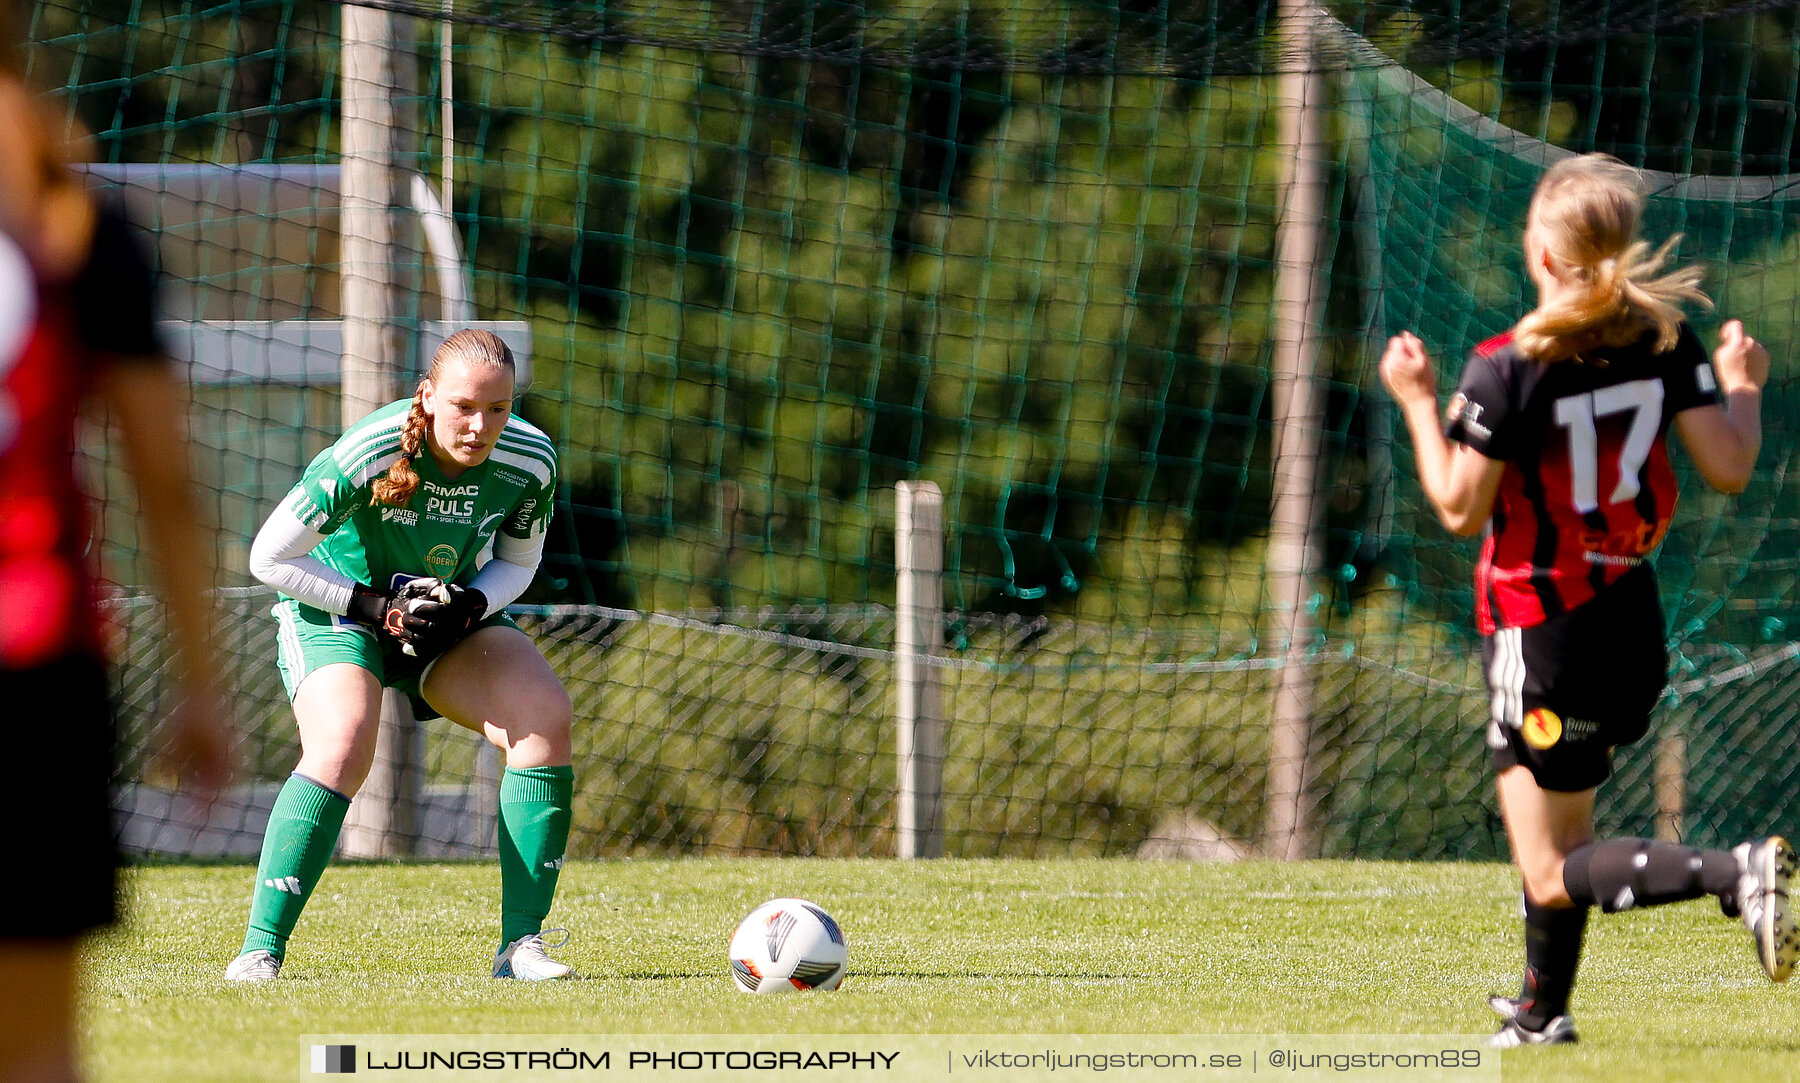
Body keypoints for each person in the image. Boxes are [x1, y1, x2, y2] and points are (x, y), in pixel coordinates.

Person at [1380, 152, 1790, 1048]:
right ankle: (1541, 1013)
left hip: (1544, 625)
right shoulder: (1665, 339)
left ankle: (1737, 873)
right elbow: (1729, 464)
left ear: (1545, 256)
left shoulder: (1506, 367)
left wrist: (1415, 399)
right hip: (1630, 620)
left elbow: (1457, 504)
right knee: (1565, 828)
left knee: (1551, 860)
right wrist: (1745, 383)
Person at [0, 60, 232, 1083]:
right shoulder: (76, 212)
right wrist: (202, 682)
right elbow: (167, 484)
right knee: (39, 1050)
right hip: (34, 664)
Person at [225, 328, 576, 983]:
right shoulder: (372, 447)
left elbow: (519, 563)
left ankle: (520, 949)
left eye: (498, 409)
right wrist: (375, 609)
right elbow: (269, 555)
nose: (480, 425)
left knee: (545, 716)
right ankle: (258, 951)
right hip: (338, 603)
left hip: (447, 619)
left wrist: (469, 606)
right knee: (345, 740)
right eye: (463, 406)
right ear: (428, 397)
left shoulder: (530, 459)